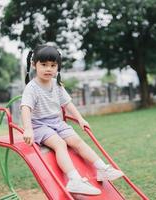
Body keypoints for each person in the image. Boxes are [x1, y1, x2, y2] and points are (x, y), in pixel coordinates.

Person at [20, 45, 123, 195]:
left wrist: (80, 119)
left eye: (53, 65)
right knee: (60, 144)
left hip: (56, 122)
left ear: (58, 67)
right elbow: (25, 108)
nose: (49, 69)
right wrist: (28, 129)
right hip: (39, 125)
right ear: (34, 64)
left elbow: (67, 103)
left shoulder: (56, 84)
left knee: (77, 141)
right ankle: (74, 180)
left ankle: (102, 169)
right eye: (44, 65)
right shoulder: (31, 88)